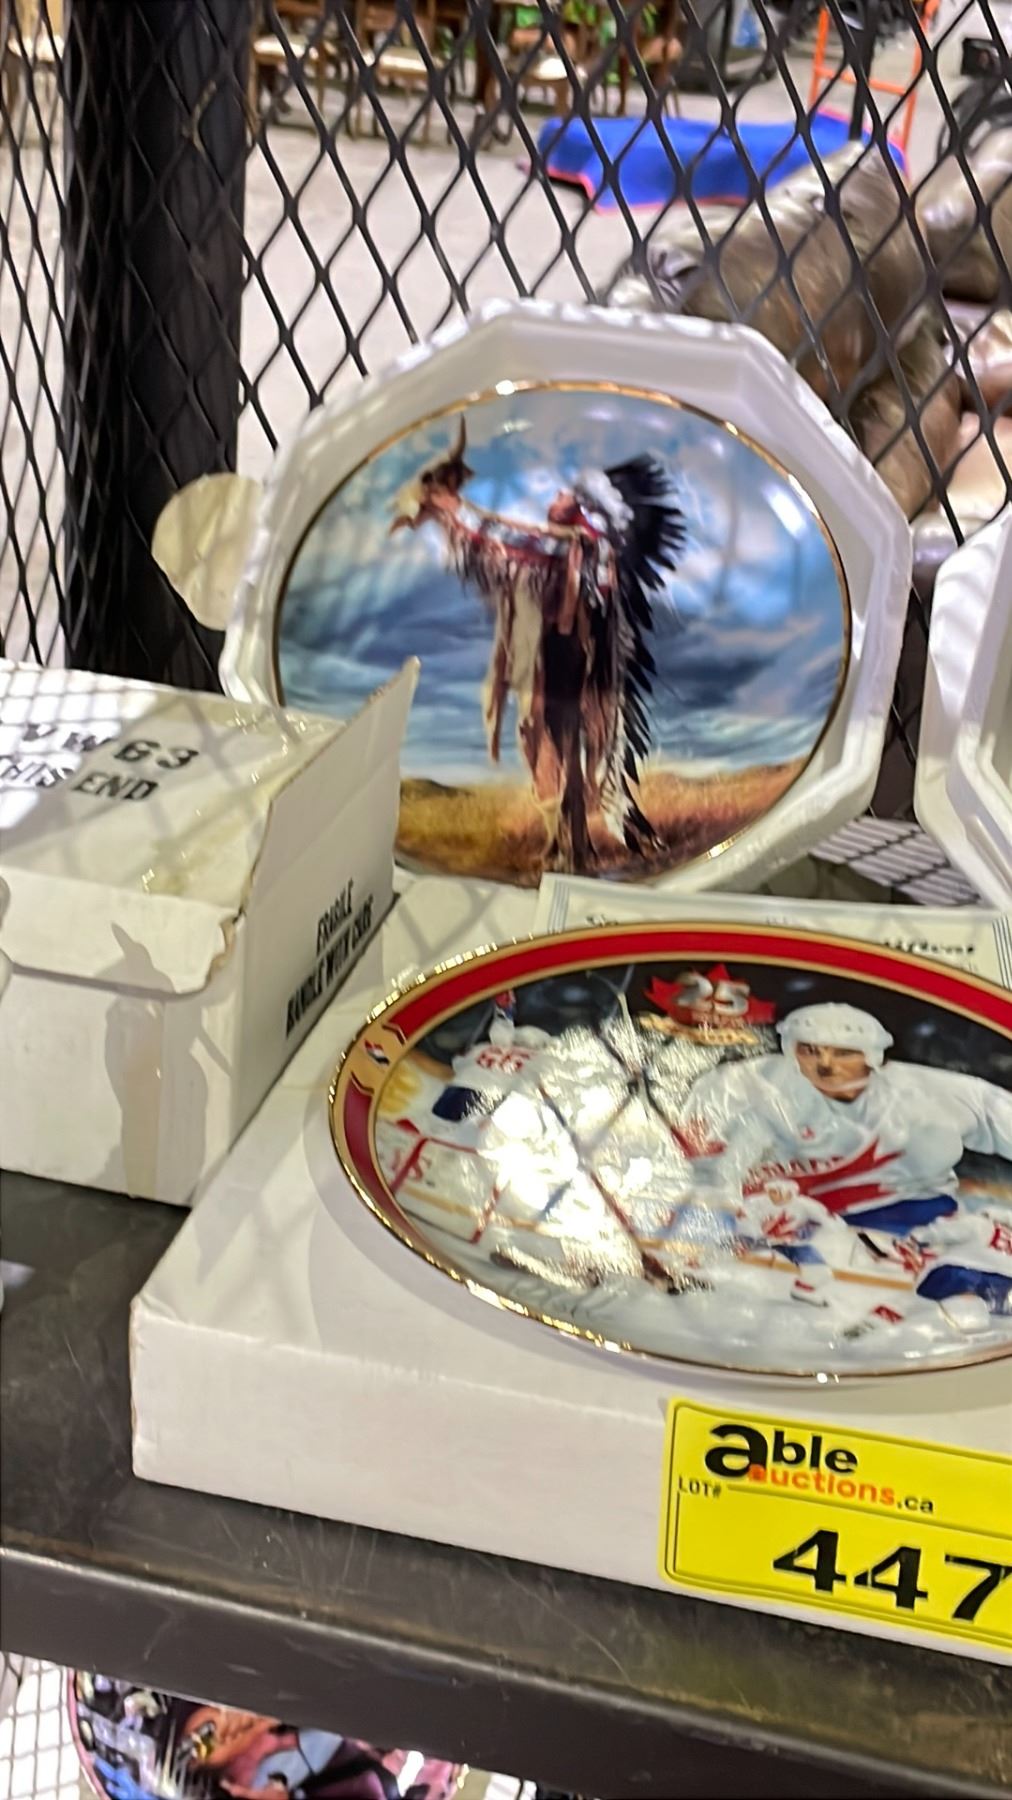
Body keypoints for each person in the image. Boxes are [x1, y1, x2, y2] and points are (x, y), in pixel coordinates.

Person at [682, 1001, 1012, 1237]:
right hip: (784, 1221)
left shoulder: (928, 1094)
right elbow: (695, 1156)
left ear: (872, 1055)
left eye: (843, 1052)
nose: (825, 1064)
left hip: (911, 1223)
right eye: (810, 1050)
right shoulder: (744, 1084)